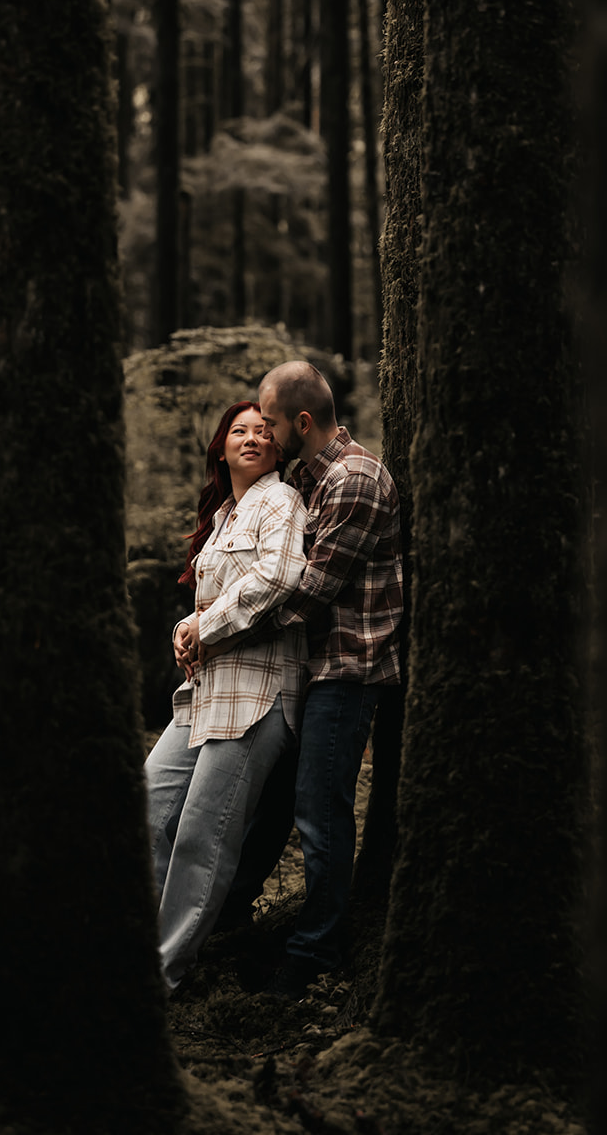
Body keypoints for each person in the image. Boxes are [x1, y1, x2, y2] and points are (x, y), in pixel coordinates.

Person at [195, 360, 404, 1000]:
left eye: (273, 423)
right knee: (274, 806)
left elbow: (310, 594)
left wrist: (215, 628)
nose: (265, 434)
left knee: (319, 811)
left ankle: (317, 950)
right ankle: (230, 921)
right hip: (306, 671)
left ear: (303, 422)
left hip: (346, 669)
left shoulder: (355, 479)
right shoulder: (308, 481)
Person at [143, 400, 307, 993]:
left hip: (256, 695)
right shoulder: (222, 519)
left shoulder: (281, 502)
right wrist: (186, 633)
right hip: (202, 697)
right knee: (150, 807)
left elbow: (279, 577)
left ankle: (164, 972)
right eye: (239, 430)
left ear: (279, 447)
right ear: (220, 447)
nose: (252, 437)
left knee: (200, 835)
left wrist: (202, 628)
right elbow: (198, 613)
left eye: (264, 431)